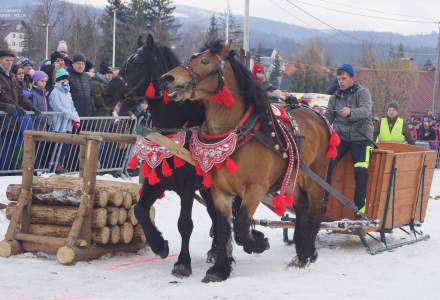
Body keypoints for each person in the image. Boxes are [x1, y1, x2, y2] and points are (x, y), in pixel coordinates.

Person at [325, 63, 373, 217]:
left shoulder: (362, 92)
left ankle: (360, 211)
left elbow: (366, 110)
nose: (341, 81)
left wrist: (351, 112)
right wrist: (320, 116)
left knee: (361, 172)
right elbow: (327, 118)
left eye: (344, 78)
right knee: (325, 166)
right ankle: (321, 206)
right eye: (339, 79)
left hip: (361, 139)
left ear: (352, 78)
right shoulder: (334, 97)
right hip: (341, 138)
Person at [0, 50, 36, 170]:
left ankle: (7, 171)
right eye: (7, 60)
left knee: (11, 150)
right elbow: (2, 97)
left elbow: (20, 96)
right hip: (3, 120)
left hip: (13, 122)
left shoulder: (11, 76)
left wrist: (31, 106)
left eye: (11, 60)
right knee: (3, 149)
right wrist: (13, 108)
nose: (9, 63)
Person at [48, 68, 80, 173]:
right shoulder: (55, 93)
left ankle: (60, 163)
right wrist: (72, 116)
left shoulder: (68, 93)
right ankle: (54, 165)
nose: (65, 81)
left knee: (66, 146)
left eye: (66, 79)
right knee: (58, 146)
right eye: (62, 79)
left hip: (67, 124)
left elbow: (72, 107)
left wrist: (76, 118)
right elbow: (58, 108)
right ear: (57, 80)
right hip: (58, 124)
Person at [68, 52, 94, 117]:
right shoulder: (67, 75)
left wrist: (92, 107)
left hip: (87, 114)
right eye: (78, 64)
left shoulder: (87, 77)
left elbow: (91, 94)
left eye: (83, 64)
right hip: (73, 114)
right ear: (73, 64)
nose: (81, 66)